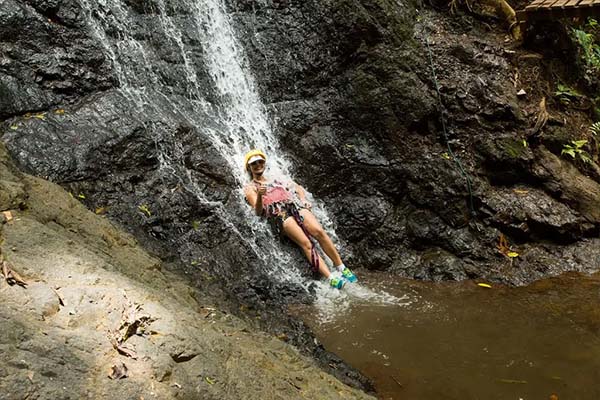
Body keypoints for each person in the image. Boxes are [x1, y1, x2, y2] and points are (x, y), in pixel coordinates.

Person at [243, 149, 357, 289]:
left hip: (293, 205)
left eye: (260, 161)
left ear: (264, 163)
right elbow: (258, 211)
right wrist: (260, 195)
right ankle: (331, 278)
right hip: (277, 214)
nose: (258, 165)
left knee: (319, 232)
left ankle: (341, 267)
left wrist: (303, 200)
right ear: (249, 167)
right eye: (254, 163)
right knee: (306, 243)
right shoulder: (250, 188)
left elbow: (297, 188)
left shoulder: (276, 178)